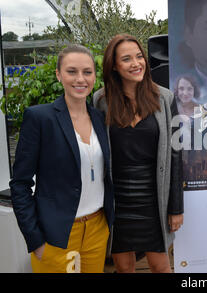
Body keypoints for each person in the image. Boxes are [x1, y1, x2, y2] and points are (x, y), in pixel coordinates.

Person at [9, 44, 114, 273]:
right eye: (71, 71)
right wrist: (35, 239)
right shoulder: (40, 118)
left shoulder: (99, 117)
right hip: (57, 234)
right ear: (58, 74)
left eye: (87, 72)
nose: (80, 79)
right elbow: (20, 184)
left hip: (97, 229)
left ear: (95, 76)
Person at [94, 34, 183, 273]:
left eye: (139, 56)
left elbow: (175, 154)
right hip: (118, 201)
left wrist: (176, 207)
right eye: (126, 59)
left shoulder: (165, 98)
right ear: (114, 65)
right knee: (124, 268)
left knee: (161, 267)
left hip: (155, 199)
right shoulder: (101, 101)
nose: (136, 63)